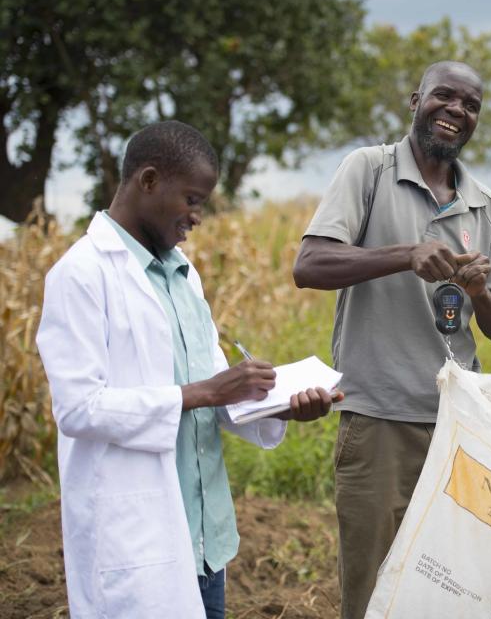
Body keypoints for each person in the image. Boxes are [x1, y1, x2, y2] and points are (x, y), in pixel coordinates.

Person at [36, 121, 338, 618]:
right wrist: (201, 391)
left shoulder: (183, 274)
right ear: (148, 181)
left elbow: (215, 395)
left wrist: (280, 405)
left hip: (205, 542)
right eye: (193, 200)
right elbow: (79, 408)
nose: (197, 217)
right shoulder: (82, 273)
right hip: (137, 542)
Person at [293, 60, 491, 618]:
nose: (456, 111)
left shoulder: (483, 205)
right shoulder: (369, 169)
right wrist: (405, 254)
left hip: (455, 428)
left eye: (470, 105)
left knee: (444, 589)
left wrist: (479, 292)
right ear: (415, 100)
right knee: (371, 593)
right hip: (379, 422)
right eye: (444, 96)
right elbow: (310, 263)